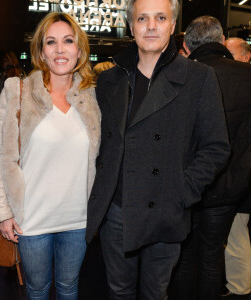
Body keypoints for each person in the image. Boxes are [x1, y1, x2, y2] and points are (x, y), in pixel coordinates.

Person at [85, 0, 230, 298]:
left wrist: (182, 192)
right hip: (117, 212)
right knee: (118, 293)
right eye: (142, 18)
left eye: (160, 17)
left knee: (156, 293)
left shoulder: (199, 77)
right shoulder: (109, 79)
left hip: (166, 210)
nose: (151, 25)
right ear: (131, 26)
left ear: (172, 25)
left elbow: (216, 147)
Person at [0, 12, 101, 300]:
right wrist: (3, 213)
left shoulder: (93, 98)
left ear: (79, 50)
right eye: (51, 42)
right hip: (31, 222)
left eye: (68, 41)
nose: (60, 49)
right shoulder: (17, 92)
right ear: (40, 50)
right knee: (36, 291)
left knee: (69, 289)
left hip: (78, 221)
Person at [170, 16, 251, 300]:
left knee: (185, 255)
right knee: (212, 256)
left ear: (187, 46)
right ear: (221, 40)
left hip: (189, 185)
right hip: (232, 188)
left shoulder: (182, 75)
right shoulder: (247, 75)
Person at [222, 37, 251, 298]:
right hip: (238, 172)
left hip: (241, 174)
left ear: (246, 56)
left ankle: (240, 289)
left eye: (231, 54)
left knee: (236, 234)